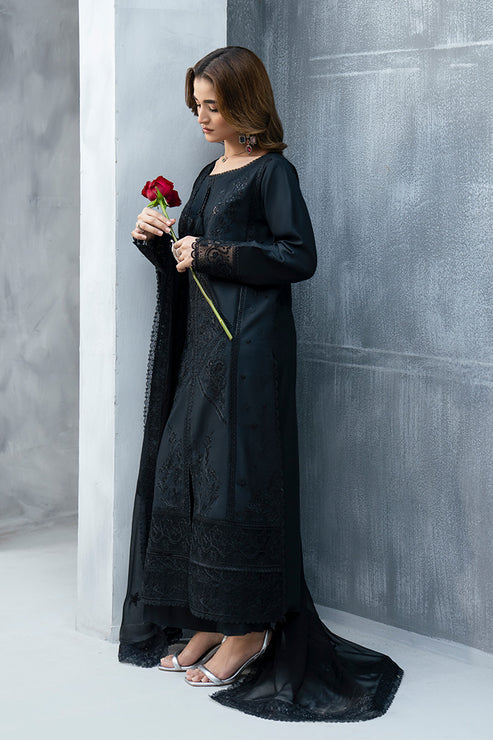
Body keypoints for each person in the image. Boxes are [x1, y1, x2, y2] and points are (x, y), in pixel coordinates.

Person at [118, 46, 403, 721]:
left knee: (236, 482)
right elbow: (190, 266)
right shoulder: (208, 173)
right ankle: (206, 618)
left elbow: (298, 256)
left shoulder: (273, 172)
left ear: (244, 103)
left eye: (212, 106)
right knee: (189, 473)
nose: (201, 117)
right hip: (203, 350)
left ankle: (247, 631)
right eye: (196, 105)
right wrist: (157, 240)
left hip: (250, 351)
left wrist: (211, 251)